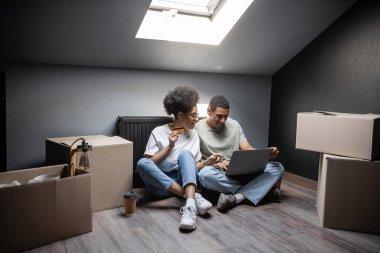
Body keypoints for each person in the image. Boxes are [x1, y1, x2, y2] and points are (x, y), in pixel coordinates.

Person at [137, 86, 219, 231]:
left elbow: (191, 167)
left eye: (197, 115)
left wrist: (207, 163)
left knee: (185, 154)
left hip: (184, 180)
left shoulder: (193, 134)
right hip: (160, 185)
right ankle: (192, 198)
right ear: (181, 115)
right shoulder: (159, 131)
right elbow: (149, 164)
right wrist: (169, 146)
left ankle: (189, 207)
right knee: (142, 163)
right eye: (193, 115)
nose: (196, 119)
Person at [195, 95, 285, 212]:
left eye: (226, 116)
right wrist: (216, 164)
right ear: (209, 111)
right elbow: (198, 163)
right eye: (219, 116)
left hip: (239, 170)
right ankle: (261, 192)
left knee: (277, 167)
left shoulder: (235, 125)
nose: (223, 120)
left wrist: (266, 154)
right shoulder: (197, 128)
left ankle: (238, 197)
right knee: (204, 174)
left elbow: (247, 147)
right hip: (219, 172)